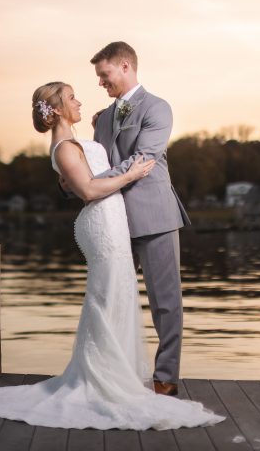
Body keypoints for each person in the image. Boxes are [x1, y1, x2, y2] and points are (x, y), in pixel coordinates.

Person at [0, 81, 224, 430]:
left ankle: (114, 374)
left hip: (116, 222)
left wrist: (82, 174)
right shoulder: (63, 148)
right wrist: (132, 173)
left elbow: (90, 172)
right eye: (72, 97)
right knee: (106, 301)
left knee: (116, 300)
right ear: (57, 109)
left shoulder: (87, 133)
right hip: (102, 225)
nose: (80, 100)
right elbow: (90, 188)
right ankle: (101, 380)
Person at [89, 41, 190, 396]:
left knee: (165, 301)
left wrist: (88, 183)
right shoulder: (101, 120)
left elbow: (143, 161)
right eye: (99, 77)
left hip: (155, 216)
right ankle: (113, 374)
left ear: (126, 66)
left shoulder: (158, 108)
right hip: (112, 219)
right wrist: (77, 181)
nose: (101, 82)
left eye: (105, 75)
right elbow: (98, 163)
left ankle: (165, 377)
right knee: (111, 297)